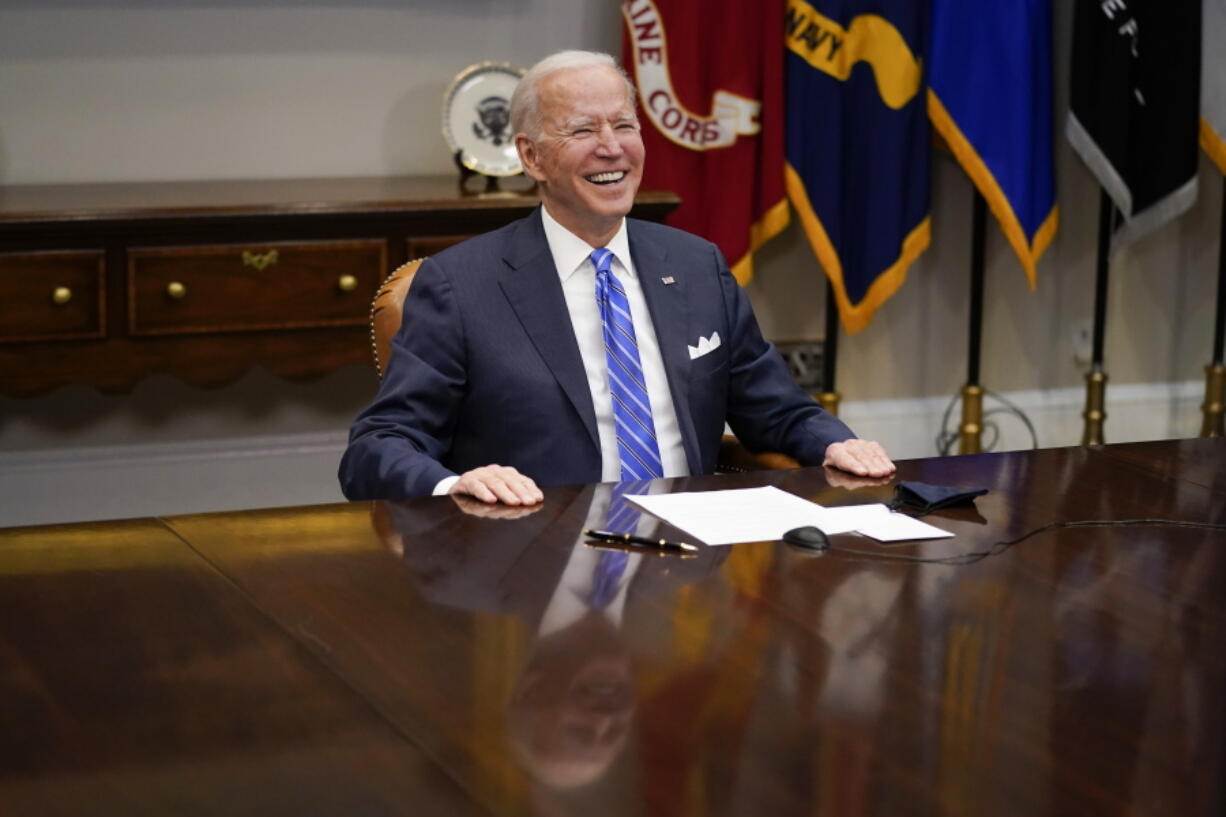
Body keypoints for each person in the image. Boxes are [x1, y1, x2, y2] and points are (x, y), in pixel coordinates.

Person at [339, 50, 894, 505]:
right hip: (534, 566)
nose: (612, 147)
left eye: (624, 124)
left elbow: (775, 408)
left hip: (689, 570)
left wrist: (838, 444)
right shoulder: (461, 286)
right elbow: (378, 446)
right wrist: (455, 485)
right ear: (532, 158)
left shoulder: (697, 266)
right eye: (583, 129)